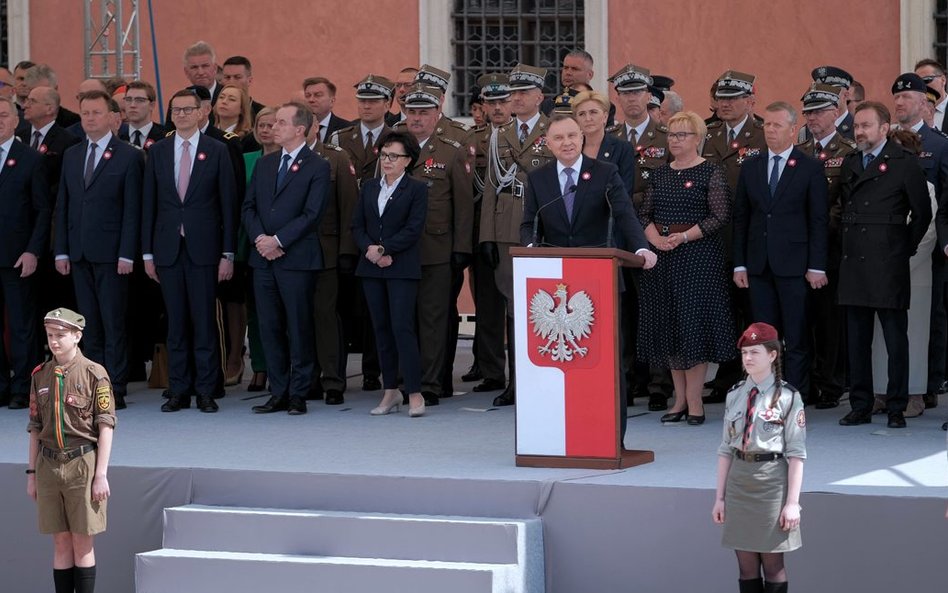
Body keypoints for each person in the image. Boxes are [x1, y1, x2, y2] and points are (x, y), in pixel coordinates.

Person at [519, 113, 657, 442]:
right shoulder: (538, 179)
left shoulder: (604, 173)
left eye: (572, 136)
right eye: (559, 138)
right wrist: (528, 248)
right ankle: (556, 433)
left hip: (599, 278)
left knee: (603, 361)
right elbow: (529, 223)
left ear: (582, 138)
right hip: (553, 281)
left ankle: (610, 437)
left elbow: (624, 213)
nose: (566, 142)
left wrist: (640, 247)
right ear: (548, 143)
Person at [141, 88, 238, 413]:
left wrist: (228, 254)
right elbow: (148, 205)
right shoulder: (158, 151)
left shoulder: (216, 150)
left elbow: (228, 205)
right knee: (176, 322)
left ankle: (207, 389)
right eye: (176, 110)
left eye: (187, 109)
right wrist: (147, 254)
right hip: (167, 249)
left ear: (201, 113)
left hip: (205, 250)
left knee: (204, 321)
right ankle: (178, 389)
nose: (181, 114)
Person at [837, 101, 931, 429]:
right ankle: (860, 405)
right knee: (858, 341)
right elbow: (835, 208)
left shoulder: (904, 163)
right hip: (854, 265)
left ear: (884, 128)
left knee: (895, 339)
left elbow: (922, 214)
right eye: (857, 126)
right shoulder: (850, 163)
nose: (859, 131)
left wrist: (902, 247)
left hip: (888, 262)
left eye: (866, 126)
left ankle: (896, 405)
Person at [638, 110, 735, 424]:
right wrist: (656, 239)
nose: (675, 140)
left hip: (697, 258)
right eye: (672, 134)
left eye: (682, 135)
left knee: (694, 328)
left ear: (698, 139)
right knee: (670, 329)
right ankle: (678, 399)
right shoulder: (661, 173)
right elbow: (644, 215)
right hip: (663, 257)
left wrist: (684, 236)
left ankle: (695, 401)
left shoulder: (711, 172)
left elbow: (719, 216)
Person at [732, 101, 829, 405]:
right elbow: (742, 218)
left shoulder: (810, 166)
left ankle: (793, 398)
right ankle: (765, 394)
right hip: (759, 265)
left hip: (795, 265)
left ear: (792, 129)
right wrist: (740, 264)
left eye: (777, 125)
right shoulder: (751, 166)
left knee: (796, 336)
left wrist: (817, 265)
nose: (770, 131)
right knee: (762, 336)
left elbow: (818, 220)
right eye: (767, 125)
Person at [54, 90, 144, 410]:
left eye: (96, 112)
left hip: (112, 253)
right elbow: (64, 204)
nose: (89, 118)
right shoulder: (73, 154)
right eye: (85, 113)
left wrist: (126, 253)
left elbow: (133, 209)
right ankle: (92, 383)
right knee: (87, 322)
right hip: (78, 251)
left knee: (113, 321)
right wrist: (61, 250)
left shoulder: (129, 155)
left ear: (111, 117)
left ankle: (115, 385)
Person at [243, 101, 329, 416]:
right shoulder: (266, 164)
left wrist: (278, 240)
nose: (273, 127)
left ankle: (299, 393)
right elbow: (249, 207)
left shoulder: (317, 166)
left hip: (296, 259)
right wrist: (260, 240)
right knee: (269, 327)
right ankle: (277, 391)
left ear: (299, 129)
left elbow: (312, 214)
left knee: (298, 325)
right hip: (263, 259)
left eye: (280, 122)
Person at [480, 63, 554, 406]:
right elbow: (492, 189)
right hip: (506, 232)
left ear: (540, 97)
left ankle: (546, 378)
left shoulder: (554, 130)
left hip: (542, 229)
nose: (518, 98)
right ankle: (515, 383)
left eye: (525, 93)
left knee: (546, 307)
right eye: (514, 93)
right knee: (513, 308)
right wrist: (487, 239)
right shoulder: (499, 134)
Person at [27, 307, 116, 593]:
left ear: (77, 336)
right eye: (50, 335)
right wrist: (31, 473)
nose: (54, 341)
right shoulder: (40, 374)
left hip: (82, 465)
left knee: (82, 541)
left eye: (61, 335)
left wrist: (100, 474)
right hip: (49, 465)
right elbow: (35, 428)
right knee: (60, 541)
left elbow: (106, 426)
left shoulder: (94, 373)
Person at [712, 322, 805, 593]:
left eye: (755, 352)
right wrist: (719, 497)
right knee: (746, 566)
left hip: (771, 482)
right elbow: (724, 448)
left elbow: (797, 454)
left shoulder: (788, 397)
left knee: (773, 563)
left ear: (772, 355)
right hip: (740, 480)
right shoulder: (735, 394)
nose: (748, 358)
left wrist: (792, 503)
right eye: (744, 353)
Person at [402, 83, 474, 406]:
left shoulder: (451, 149)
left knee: (433, 320)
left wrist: (462, 247)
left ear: (436, 114)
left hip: (438, 248)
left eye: (423, 112)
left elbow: (463, 204)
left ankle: (430, 383)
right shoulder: (394, 146)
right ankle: (410, 378)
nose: (416, 118)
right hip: (401, 250)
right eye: (411, 112)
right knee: (407, 319)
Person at [351, 130, 428, 416]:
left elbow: (414, 228)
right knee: (380, 329)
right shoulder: (369, 187)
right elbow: (357, 225)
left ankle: (415, 392)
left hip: (401, 268)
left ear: (408, 160)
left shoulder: (417, 189)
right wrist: (370, 249)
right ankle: (390, 391)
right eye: (384, 155)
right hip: (371, 268)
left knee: (402, 327)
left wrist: (385, 250)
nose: (387, 160)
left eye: (394, 156)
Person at [702, 70, 766, 404]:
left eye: (733, 98)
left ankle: (756, 377)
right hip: (713, 239)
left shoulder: (762, 133)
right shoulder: (708, 133)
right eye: (721, 98)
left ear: (750, 101)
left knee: (752, 310)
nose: (724, 104)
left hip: (751, 238)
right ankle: (727, 375)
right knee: (722, 311)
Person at [795, 83, 857, 410]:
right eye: (808, 112)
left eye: (819, 111)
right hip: (799, 248)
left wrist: (819, 231)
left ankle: (831, 383)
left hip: (831, 247)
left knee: (830, 320)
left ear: (836, 112)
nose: (813, 117)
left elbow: (843, 203)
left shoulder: (848, 150)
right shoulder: (800, 151)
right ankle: (806, 382)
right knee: (803, 319)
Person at [892, 72, 948, 416]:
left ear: (924, 103)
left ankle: (929, 385)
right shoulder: (887, 143)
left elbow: (944, 196)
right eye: (896, 98)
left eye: (908, 98)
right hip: (894, 250)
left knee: (933, 317)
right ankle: (898, 384)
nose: (900, 103)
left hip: (931, 249)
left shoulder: (940, 144)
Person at [0, 96, 50, 410]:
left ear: (16, 120)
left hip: (18, 256)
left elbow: (43, 210)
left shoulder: (30, 158)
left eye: (3, 115)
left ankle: (24, 387)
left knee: (22, 326)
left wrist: (33, 250)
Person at [465, 74, 514, 393]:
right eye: (491, 102)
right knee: (487, 303)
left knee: (516, 304)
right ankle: (492, 369)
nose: (497, 108)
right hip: (481, 229)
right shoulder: (474, 139)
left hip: (512, 227)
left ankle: (519, 372)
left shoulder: (522, 137)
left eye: (502, 101)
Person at [241, 107, 278, 392]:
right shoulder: (246, 160)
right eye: (260, 125)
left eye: (270, 124)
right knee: (255, 310)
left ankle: (283, 367)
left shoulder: (290, 160)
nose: (265, 130)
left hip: (283, 244)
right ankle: (260, 367)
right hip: (250, 243)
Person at [118, 81, 167, 150]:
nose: (132, 105)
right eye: (128, 99)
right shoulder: (117, 136)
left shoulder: (166, 136)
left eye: (139, 100)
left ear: (152, 105)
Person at [303, 77, 351, 143]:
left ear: (332, 101)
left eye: (318, 95)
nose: (311, 100)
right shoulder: (295, 127)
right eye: (307, 95)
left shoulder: (347, 129)